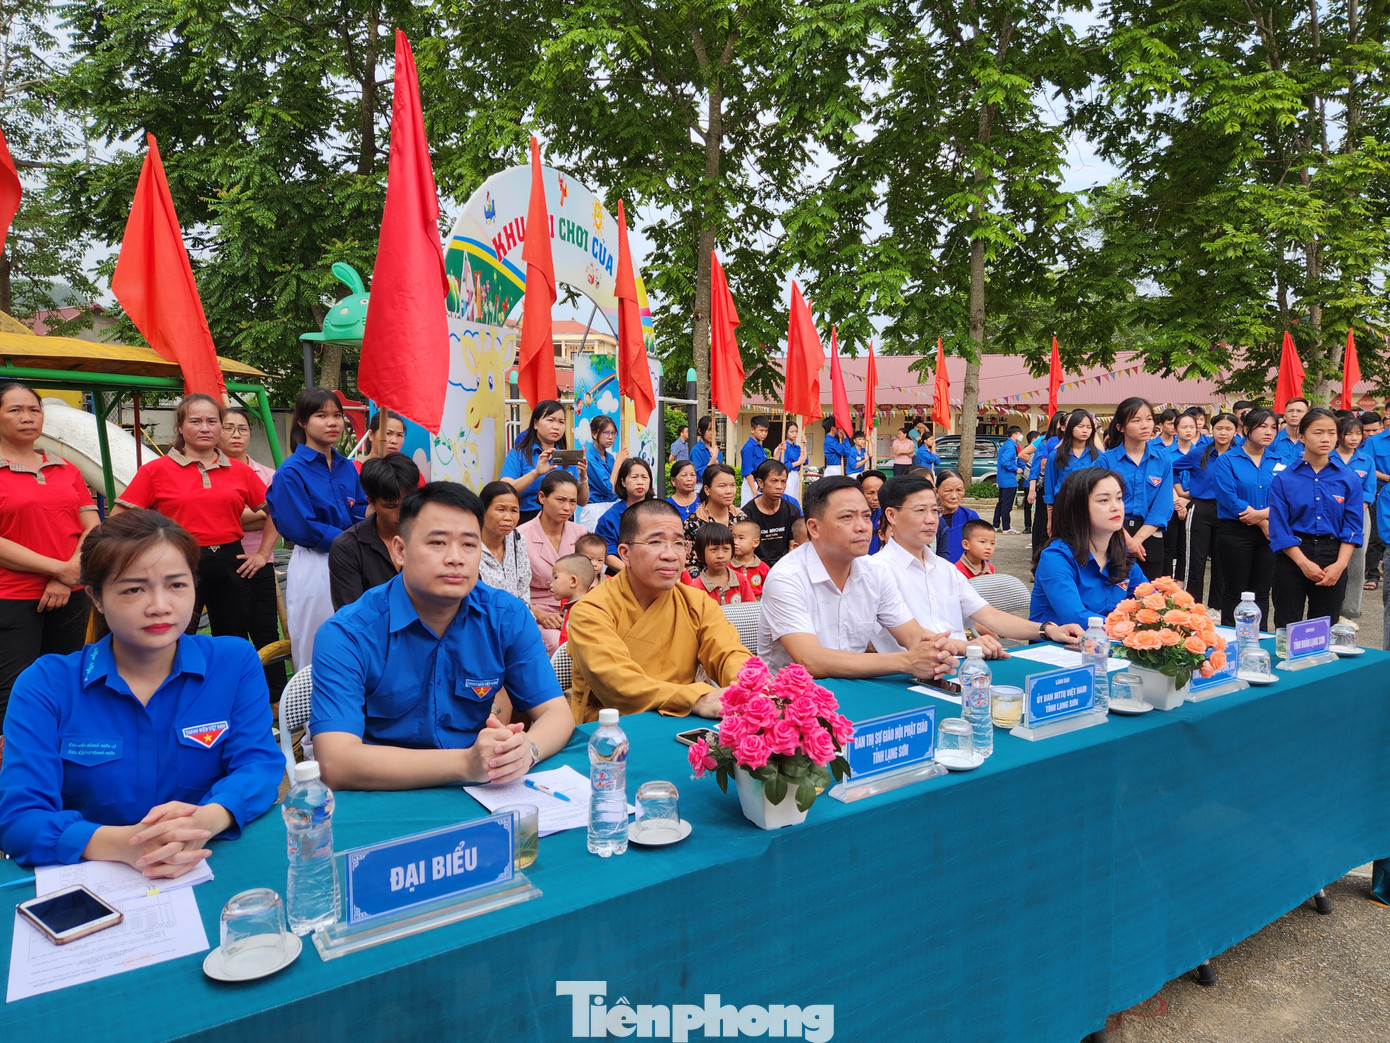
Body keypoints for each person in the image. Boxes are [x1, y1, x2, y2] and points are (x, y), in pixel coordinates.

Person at [0, 509, 283, 868]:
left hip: (206, 858)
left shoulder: (233, 662)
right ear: (97, 597)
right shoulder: (46, 685)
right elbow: (20, 820)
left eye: (177, 585)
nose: (160, 607)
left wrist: (204, 820)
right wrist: (126, 845)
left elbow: (258, 766)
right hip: (95, 879)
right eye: (134, 589)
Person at [310, 483, 575, 790]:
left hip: (480, 792)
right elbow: (335, 762)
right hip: (381, 794)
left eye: (469, 545)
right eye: (437, 543)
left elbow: (556, 713)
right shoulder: (349, 634)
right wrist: (465, 764)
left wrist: (524, 751)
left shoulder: (507, 616)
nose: (456, 558)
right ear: (400, 550)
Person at [756, 475, 957, 679]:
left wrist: (935, 649)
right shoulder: (786, 578)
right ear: (814, 528)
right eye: (847, 517)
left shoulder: (875, 572)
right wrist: (907, 661)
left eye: (866, 516)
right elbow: (810, 660)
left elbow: (913, 636)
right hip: (792, 699)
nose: (862, 526)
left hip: (856, 687)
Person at [566, 499, 751, 721]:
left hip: (684, 721)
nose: (670, 555)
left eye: (678, 544)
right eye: (656, 542)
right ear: (624, 553)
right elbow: (617, 682)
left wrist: (750, 685)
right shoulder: (591, 610)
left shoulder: (697, 603)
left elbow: (728, 653)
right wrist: (696, 698)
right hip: (611, 733)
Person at [116, 394, 279, 642]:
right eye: (195, 421)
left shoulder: (240, 471)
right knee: (176, 637)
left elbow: (276, 513)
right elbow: (117, 520)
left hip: (231, 562)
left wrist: (262, 555)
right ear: (180, 427)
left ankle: (226, 682)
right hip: (177, 561)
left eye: (212, 421)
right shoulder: (156, 470)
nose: (205, 428)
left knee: (232, 638)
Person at [874, 476, 1083, 657]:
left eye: (934, 510)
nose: (931, 520)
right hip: (908, 677)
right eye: (920, 510)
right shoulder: (876, 570)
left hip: (964, 668)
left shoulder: (945, 569)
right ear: (891, 515)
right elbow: (912, 638)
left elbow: (990, 616)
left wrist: (1048, 630)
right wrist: (967, 646)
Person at [0, 383, 99, 727]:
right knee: (15, 689)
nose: (27, 418)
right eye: (15, 410)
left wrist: (64, 576)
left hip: (71, 594)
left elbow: (92, 524)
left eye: (34, 409)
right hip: (12, 597)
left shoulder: (66, 468)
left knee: (67, 680)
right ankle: (16, 769)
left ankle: (65, 761)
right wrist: (60, 569)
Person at [266, 388, 365, 667]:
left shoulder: (347, 466)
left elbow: (360, 507)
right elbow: (303, 528)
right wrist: (353, 540)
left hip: (355, 556)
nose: (332, 422)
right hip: (316, 562)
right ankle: (310, 707)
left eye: (337, 415)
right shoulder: (290, 472)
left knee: (357, 636)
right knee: (317, 641)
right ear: (302, 421)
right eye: (321, 415)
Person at [1268, 408, 1363, 628]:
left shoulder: (1348, 478)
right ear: (1301, 436)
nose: (1326, 438)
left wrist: (1340, 565)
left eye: (1331, 432)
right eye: (1318, 432)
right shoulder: (1284, 479)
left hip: (1333, 555)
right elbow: (1279, 529)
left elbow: (1353, 526)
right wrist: (1304, 564)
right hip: (1293, 556)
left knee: (1324, 627)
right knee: (1287, 625)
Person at [1029, 469, 1150, 628]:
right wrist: (1130, 627)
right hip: (1061, 648)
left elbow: (1150, 601)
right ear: (1077, 508)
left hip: (1110, 645)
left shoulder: (1120, 554)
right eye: (1104, 500)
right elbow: (1076, 618)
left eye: (1119, 498)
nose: (1116, 507)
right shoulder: (1055, 558)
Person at [219, 405, 283, 695]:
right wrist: (261, 516)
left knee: (266, 632)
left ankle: (276, 699)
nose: (236, 434)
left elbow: (281, 515)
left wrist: (254, 516)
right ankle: (238, 698)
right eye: (229, 428)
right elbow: (226, 516)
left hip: (261, 562)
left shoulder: (268, 474)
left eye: (242, 428)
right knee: (230, 635)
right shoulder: (210, 472)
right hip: (220, 563)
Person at [1211, 408, 1279, 625]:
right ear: (1246, 429)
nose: (1269, 432)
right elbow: (1228, 498)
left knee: (1261, 592)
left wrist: (1263, 516)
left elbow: (1287, 496)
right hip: (1236, 531)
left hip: (1271, 532)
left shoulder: (1280, 460)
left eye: (1273, 427)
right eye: (1262, 426)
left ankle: (1261, 639)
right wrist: (1262, 521)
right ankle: (1231, 642)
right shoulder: (1228, 460)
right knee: (1235, 590)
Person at [329, 454, 418, 609]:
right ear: (371, 502)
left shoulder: (431, 539)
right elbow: (351, 616)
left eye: (408, 503)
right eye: (390, 506)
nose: (401, 513)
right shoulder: (347, 548)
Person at [1098, 397, 1174, 580]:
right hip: (1113, 532)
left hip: (1150, 534)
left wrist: (1136, 540)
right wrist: (1126, 540)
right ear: (1120, 427)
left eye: (1149, 419)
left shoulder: (1163, 459)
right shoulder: (1106, 461)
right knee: (1114, 590)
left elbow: (1163, 506)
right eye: (1136, 420)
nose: (1145, 425)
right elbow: (1097, 502)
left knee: (1148, 595)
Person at [518, 471, 587, 653]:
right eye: (560, 500)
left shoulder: (580, 533)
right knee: (559, 644)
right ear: (542, 497)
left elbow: (592, 577)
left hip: (576, 607)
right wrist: (539, 614)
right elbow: (511, 589)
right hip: (534, 609)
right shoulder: (520, 536)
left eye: (572, 501)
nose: (567, 507)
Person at [500, 399, 590, 523]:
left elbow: (582, 501)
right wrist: (536, 473)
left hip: (563, 520)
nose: (556, 426)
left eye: (561, 422)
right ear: (535, 424)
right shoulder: (518, 454)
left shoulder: (568, 458)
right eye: (550, 420)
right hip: (527, 518)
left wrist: (583, 476)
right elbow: (505, 489)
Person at [1181, 412, 1237, 610]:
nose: (1223, 432)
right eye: (1219, 428)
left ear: (1236, 431)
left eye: (1228, 428)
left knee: (1222, 562)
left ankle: (1217, 608)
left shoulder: (1239, 454)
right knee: (1195, 562)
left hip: (1228, 511)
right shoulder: (1199, 453)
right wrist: (1181, 490)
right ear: (1212, 430)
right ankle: (1190, 607)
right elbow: (1172, 468)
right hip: (1201, 509)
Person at [1334, 414, 1375, 618]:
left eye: (1358, 433)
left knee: (1357, 561)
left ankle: (1350, 609)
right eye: (1348, 433)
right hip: (1331, 514)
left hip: (1359, 515)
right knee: (1331, 557)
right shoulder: (1329, 457)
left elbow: (1369, 489)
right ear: (1339, 435)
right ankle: (1330, 606)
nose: (1354, 438)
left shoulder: (1366, 460)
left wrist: (1360, 507)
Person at [683, 463, 746, 577]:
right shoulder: (693, 522)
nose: (729, 491)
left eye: (732, 485)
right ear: (707, 490)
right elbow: (689, 563)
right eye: (722, 486)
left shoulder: (741, 518)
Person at [1043, 410, 1100, 533]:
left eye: (1089, 427)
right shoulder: (1056, 455)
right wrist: (1049, 519)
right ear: (1070, 428)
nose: (1085, 430)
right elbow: (1049, 487)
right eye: (1080, 426)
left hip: (1090, 507)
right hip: (1063, 507)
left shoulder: (1098, 456)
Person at [595, 457, 657, 572]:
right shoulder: (610, 517)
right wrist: (633, 572)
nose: (640, 482)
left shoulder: (659, 511)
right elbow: (607, 554)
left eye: (644, 477)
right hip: (621, 574)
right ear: (623, 482)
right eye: (634, 477)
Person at [477, 481, 532, 604]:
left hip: (516, 615)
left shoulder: (517, 540)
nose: (508, 517)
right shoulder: (469, 545)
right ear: (482, 510)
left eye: (514, 511)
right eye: (501, 509)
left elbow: (523, 590)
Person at [680, 523, 757, 605]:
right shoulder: (696, 587)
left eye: (726, 549)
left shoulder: (741, 580)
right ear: (701, 553)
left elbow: (751, 609)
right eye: (714, 549)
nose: (721, 555)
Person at [743, 460, 802, 565]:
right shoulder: (747, 513)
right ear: (761, 483)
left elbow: (793, 548)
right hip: (755, 568)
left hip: (784, 567)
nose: (779, 486)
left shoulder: (792, 511)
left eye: (783, 481)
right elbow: (744, 552)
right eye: (774, 481)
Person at [1028, 411, 1066, 561]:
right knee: (1043, 525)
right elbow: (1038, 466)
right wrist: (1032, 490)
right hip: (1048, 488)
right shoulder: (1049, 441)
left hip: (1059, 491)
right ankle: (1038, 560)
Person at [547, 553, 596, 646]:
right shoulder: (570, 607)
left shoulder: (585, 611)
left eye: (556, 578)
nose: (551, 584)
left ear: (573, 581)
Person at [933, 469, 979, 565]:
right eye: (948, 491)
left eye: (959, 490)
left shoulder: (970, 516)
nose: (954, 496)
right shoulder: (930, 518)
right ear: (936, 492)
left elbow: (980, 549)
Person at [584, 416, 625, 506]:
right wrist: (618, 462)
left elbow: (618, 487)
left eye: (613, 433)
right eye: (606, 433)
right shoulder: (589, 458)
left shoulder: (609, 457)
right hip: (594, 507)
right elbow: (609, 489)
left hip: (610, 505)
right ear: (594, 434)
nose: (610, 437)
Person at [730, 519, 771, 597]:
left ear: (755, 542)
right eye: (733, 537)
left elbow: (770, 591)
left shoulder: (763, 568)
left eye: (741, 538)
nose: (735, 542)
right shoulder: (727, 567)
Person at [993, 426, 1022, 533]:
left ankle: (995, 525)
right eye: (1019, 434)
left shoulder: (1006, 444)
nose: (1020, 436)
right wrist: (1016, 469)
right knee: (1007, 505)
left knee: (1001, 503)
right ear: (1014, 434)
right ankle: (1006, 527)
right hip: (1009, 479)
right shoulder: (1010, 446)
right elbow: (1006, 462)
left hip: (1002, 478)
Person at [1267, 397, 1308, 466]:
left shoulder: (1312, 441)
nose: (1294, 415)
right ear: (1284, 415)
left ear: (1307, 415)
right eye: (1290, 411)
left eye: (1299, 411)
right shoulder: (1272, 438)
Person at [739, 415, 771, 504]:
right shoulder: (748, 447)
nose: (764, 434)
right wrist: (754, 491)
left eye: (766, 431)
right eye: (761, 430)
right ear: (752, 430)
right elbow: (748, 471)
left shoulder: (760, 447)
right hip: (751, 485)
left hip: (760, 485)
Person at [774, 420, 805, 501]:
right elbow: (784, 465)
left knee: (796, 499)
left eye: (796, 432)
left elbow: (804, 460)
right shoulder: (783, 446)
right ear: (786, 433)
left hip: (796, 475)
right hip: (788, 475)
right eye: (791, 432)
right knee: (788, 497)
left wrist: (804, 445)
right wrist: (798, 463)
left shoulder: (797, 447)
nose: (794, 434)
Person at [859, 469, 887, 554]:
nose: (875, 497)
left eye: (879, 493)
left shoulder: (886, 515)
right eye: (870, 493)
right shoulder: (854, 518)